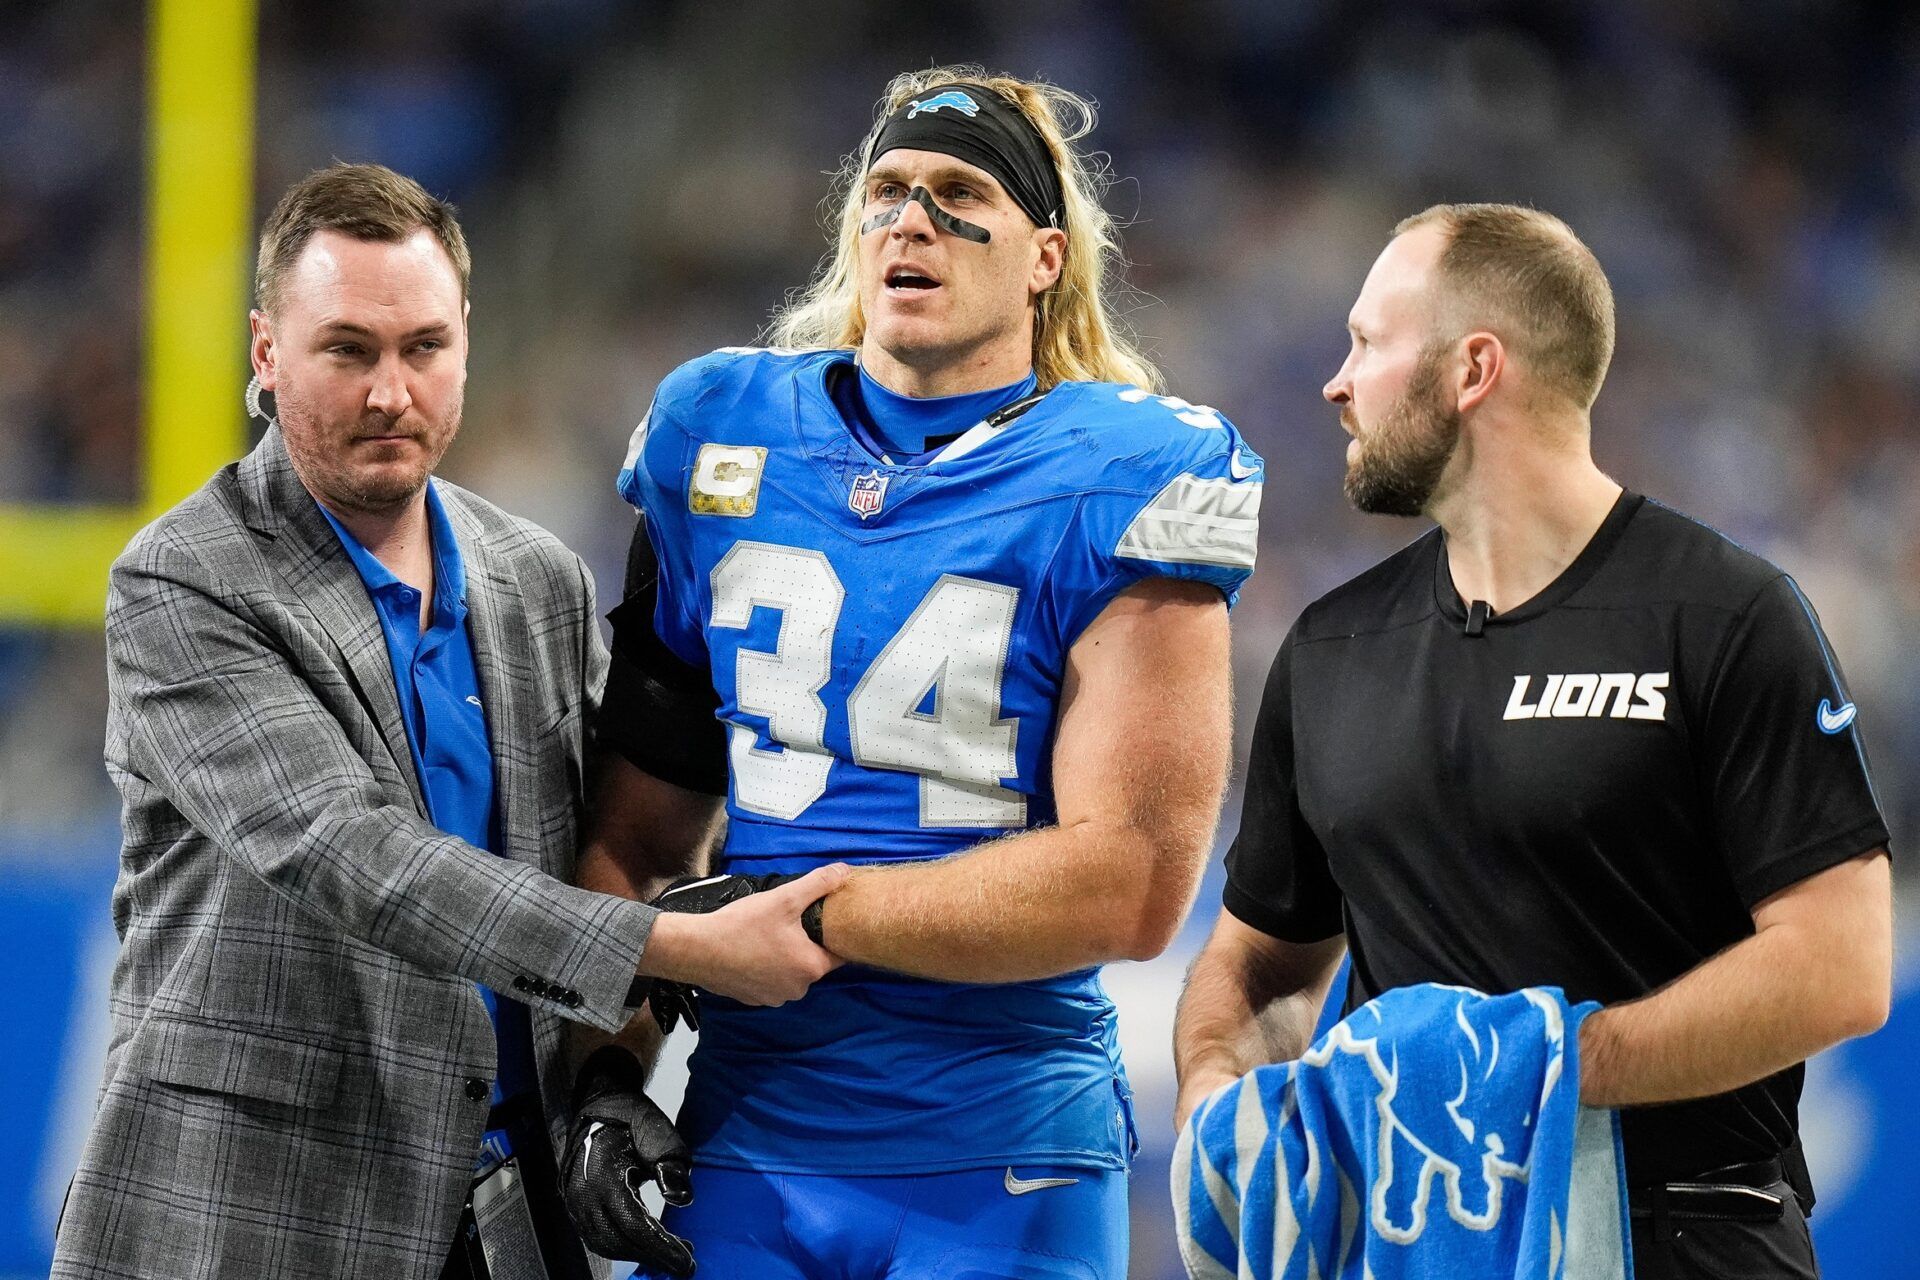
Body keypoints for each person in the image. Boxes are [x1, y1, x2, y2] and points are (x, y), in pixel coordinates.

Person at [52, 162, 843, 1280]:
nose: (390, 391)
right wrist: (671, 946)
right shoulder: (184, 581)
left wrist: (613, 1080)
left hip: (505, 1217)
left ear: (465, 339)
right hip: (248, 1216)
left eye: (422, 346)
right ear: (266, 352)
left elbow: (611, 848)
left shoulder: (538, 579)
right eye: (348, 349)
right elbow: (352, 854)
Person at [575, 66, 1264, 1280]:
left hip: (999, 1154)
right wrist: (606, 1065)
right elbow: (640, 833)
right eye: (888, 190)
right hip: (743, 1137)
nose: (913, 220)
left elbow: (1136, 879)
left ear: (1043, 258)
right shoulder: (720, 434)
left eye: (959, 195)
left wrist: (804, 916)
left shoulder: (1126, 467)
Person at [1171, 203, 1892, 1279]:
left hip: (1690, 1233)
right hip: (1411, 1244)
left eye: (1368, 343)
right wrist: (1216, 1098)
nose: (1336, 381)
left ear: (1473, 370)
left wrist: (1544, 1077)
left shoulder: (1725, 614)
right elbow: (1260, 961)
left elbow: (1842, 966)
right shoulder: (1331, 646)